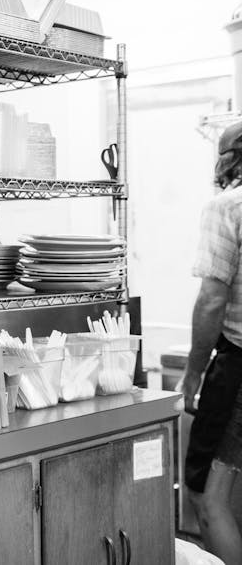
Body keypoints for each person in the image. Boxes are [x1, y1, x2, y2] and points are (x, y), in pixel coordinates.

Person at [181, 119, 242, 563]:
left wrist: (192, 374)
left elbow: (212, 302)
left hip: (238, 364)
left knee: (207, 497)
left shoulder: (226, 207)